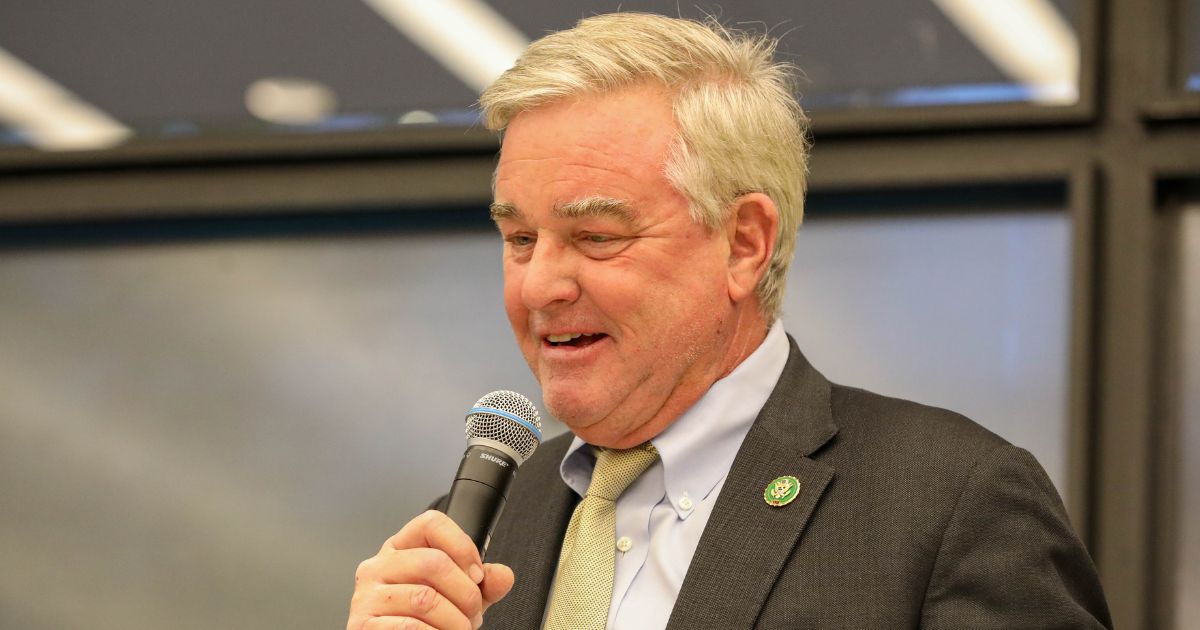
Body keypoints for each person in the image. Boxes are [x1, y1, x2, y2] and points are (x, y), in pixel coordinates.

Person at [347, 12, 1111, 630]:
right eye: (519, 239)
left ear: (744, 243)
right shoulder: (475, 529)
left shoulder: (949, 505)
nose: (540, 283)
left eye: (597, 237)